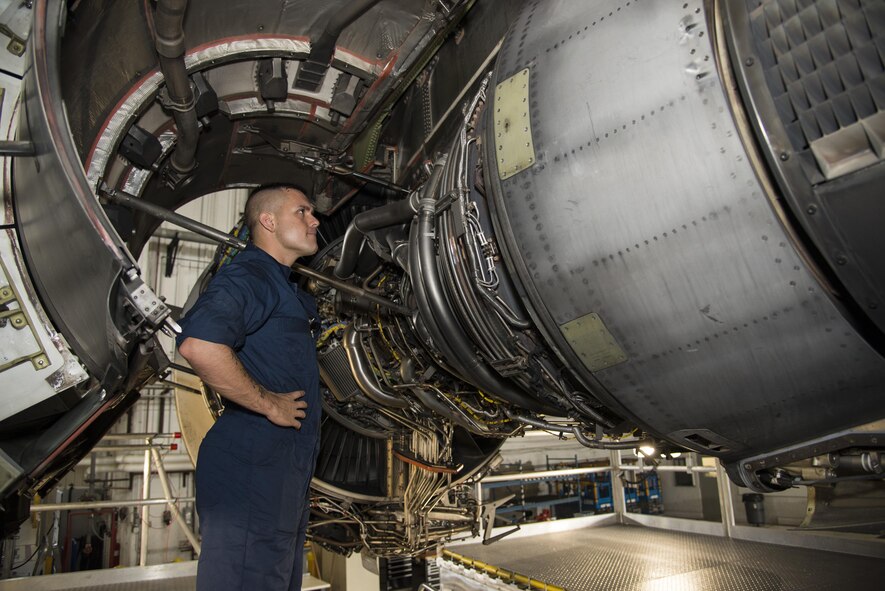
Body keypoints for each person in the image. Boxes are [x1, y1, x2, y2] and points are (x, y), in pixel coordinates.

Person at [177, 185, 322, 591]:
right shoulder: (250, 274)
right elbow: (199, 345)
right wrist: (268, 404)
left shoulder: (284, 285)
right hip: (252, 467)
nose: (315, 220)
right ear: (269, 221)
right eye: (303, 211)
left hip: (281, 472)